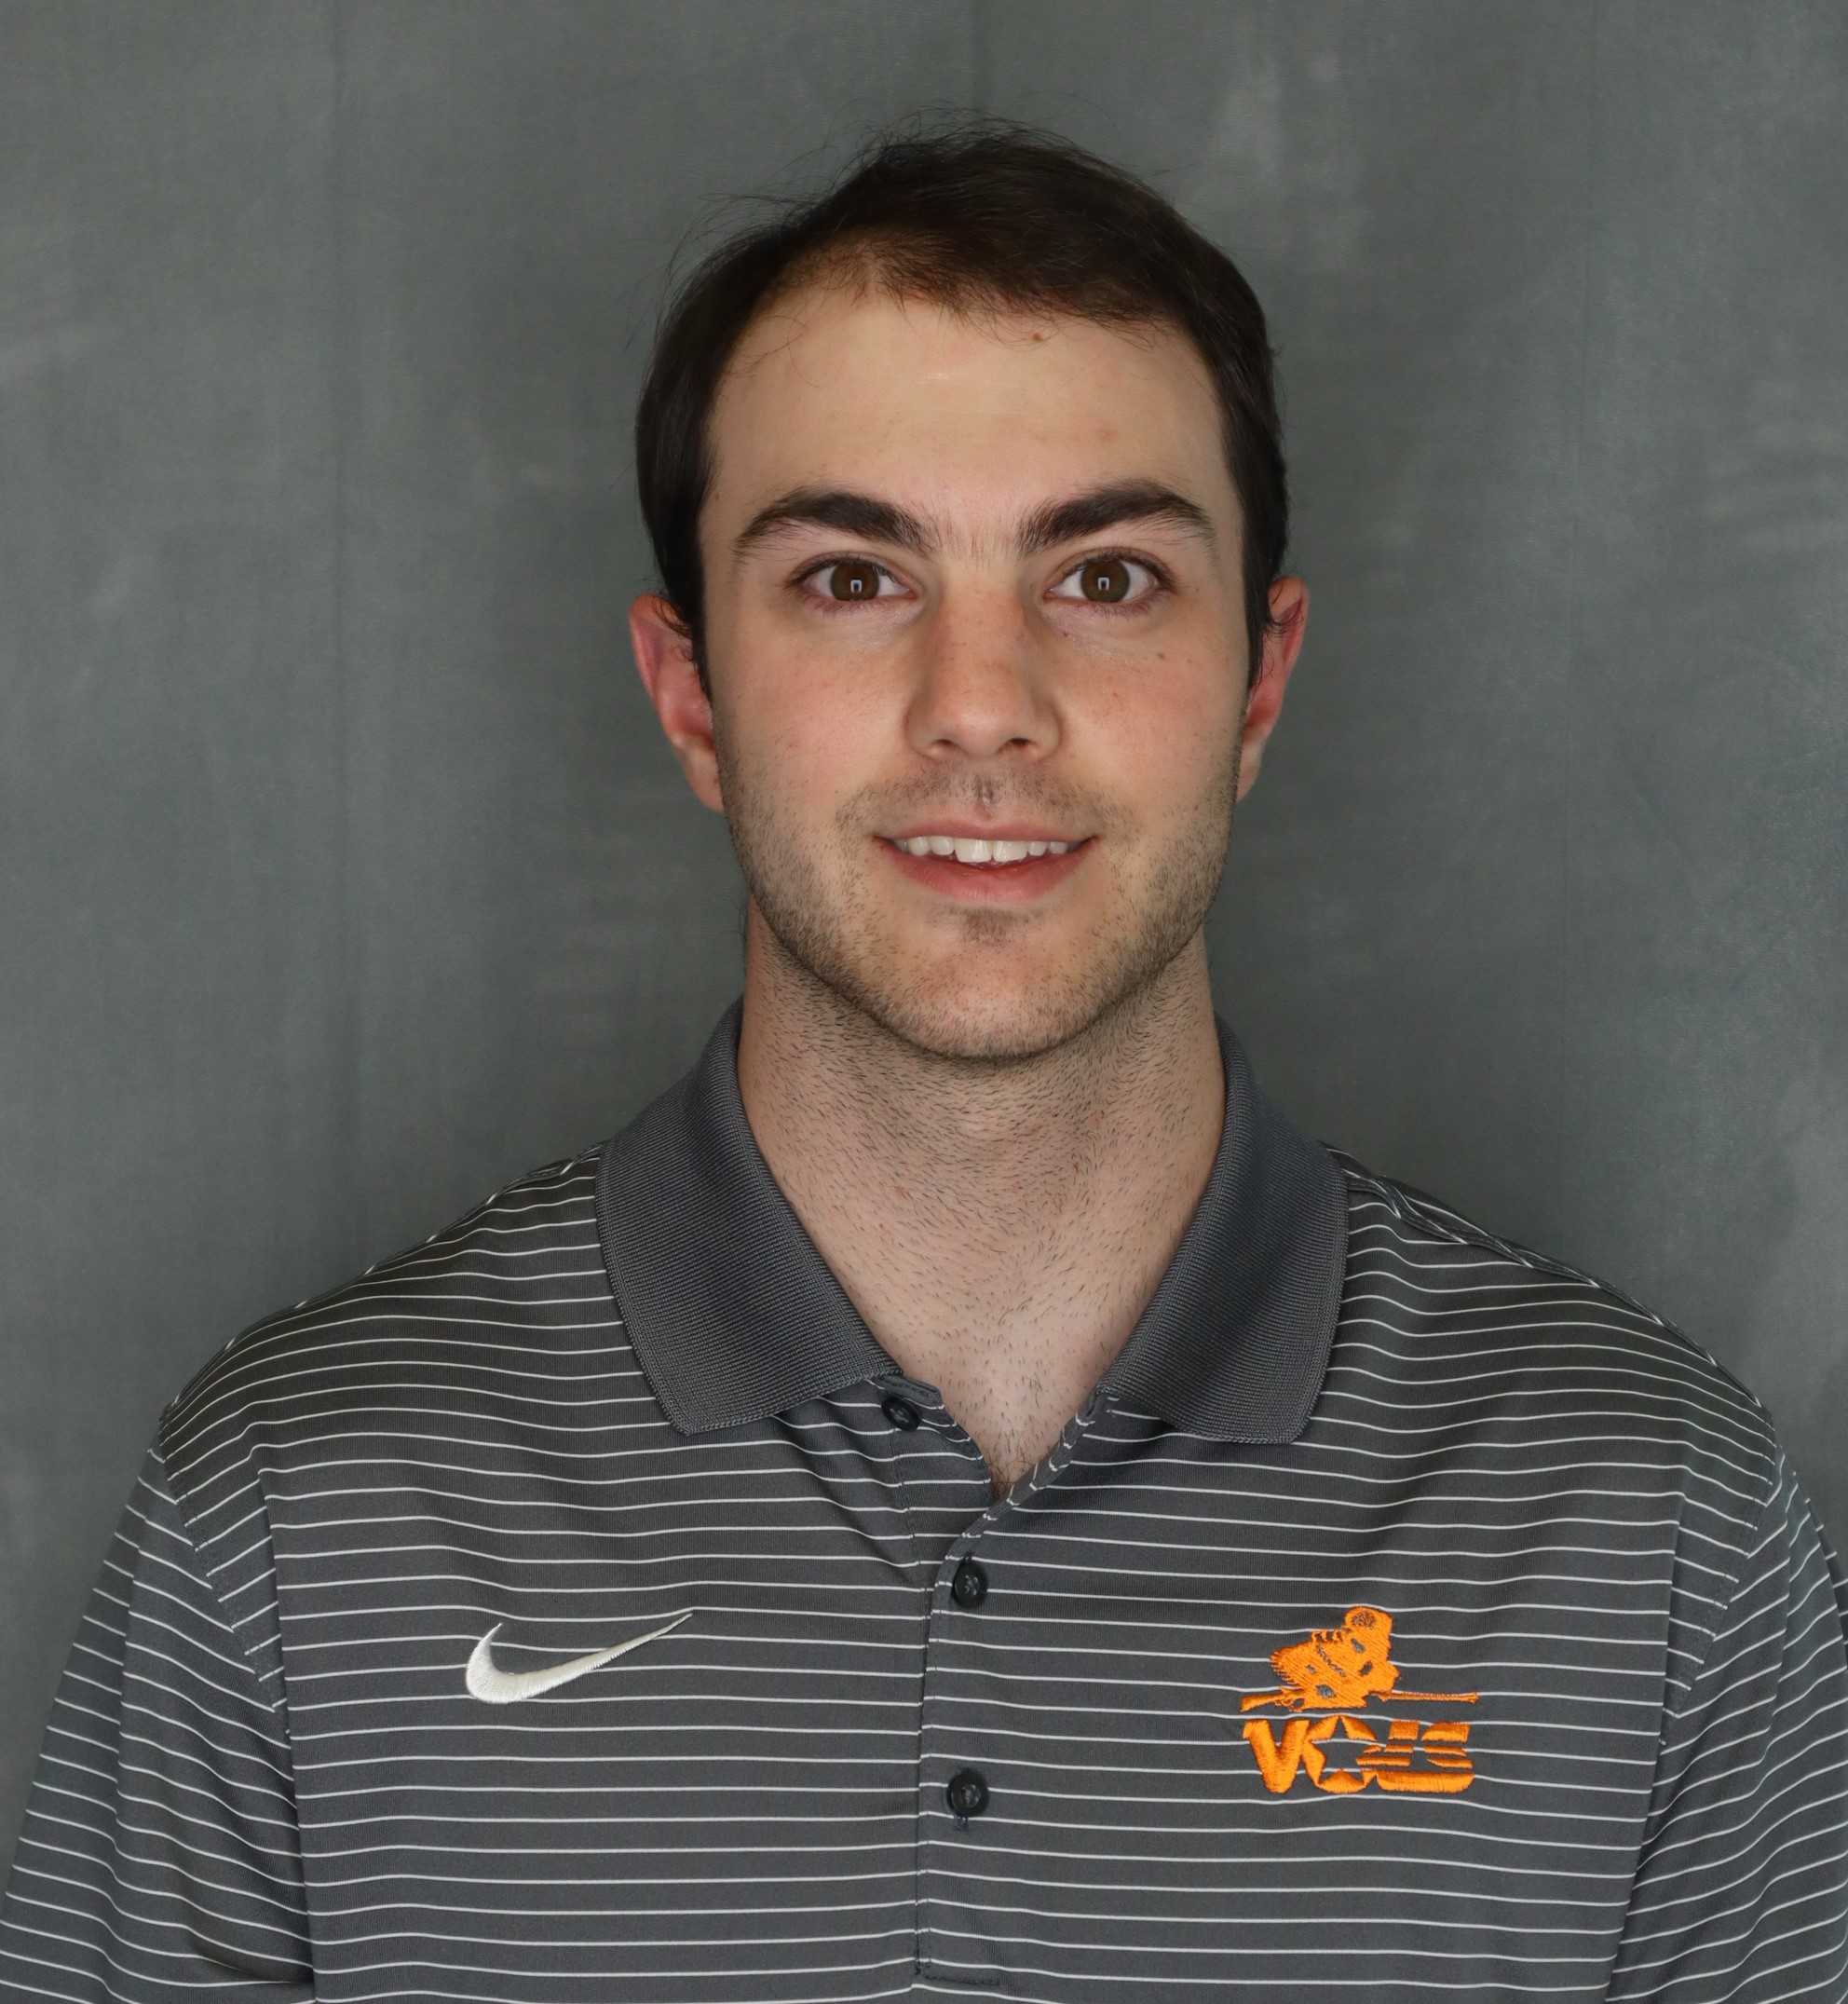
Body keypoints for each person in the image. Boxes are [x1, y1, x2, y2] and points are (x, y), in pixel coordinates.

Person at [2, 123, 1843, 2004]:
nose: (980, 704)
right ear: (690, 695)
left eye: (1105, 577)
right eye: (849, 578)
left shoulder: (1650, 1527)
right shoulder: (296, 1515)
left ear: (1259, 683)